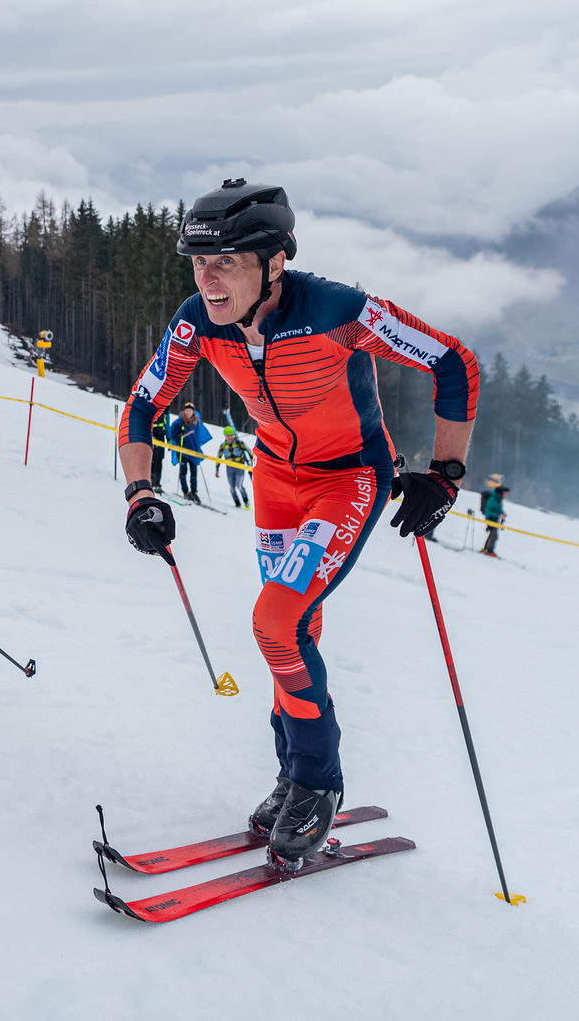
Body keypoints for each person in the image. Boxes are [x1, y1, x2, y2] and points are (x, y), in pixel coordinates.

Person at [114, 178, 479, 866]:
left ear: (275, 261)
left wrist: (446, 474)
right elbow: (140, 405)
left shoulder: (339, 311)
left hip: (348, 480)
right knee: (295, 628)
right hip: (276, 480)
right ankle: (292, 773)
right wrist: (141, 493)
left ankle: (318, 780)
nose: (208, 279)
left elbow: (452, 360)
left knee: (275, 622)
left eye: (226, 261)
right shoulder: (197, 322)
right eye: (198, 262)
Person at [168, 403, 212, 503]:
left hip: (193, 451)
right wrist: (179, 437)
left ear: (193, 412)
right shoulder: (179, 422)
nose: (189, 412)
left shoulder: (196, 421)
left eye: (191, 410)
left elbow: (198, 435)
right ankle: (185, 492)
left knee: (194, 473)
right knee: (183, 472)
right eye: (187, 410)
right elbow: (172, 434)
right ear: (184, 411)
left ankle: (194, 492)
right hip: (182, 451)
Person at [217, 425, 252, 508]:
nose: (230, 437)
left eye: (231, 435)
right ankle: (237, 504)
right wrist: (217, 469)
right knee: (232, 488)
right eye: (228, 435)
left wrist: (252, 464)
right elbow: (219, 456)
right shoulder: (223, 445)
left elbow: (249, 452)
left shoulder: (239, 443)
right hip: (229, 468)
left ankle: (246, 502)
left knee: (239, 486)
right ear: (225, 436)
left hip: (240, 467)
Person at [479, 478, 509, 557]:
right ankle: (489, 550)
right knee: (494, 535)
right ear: (501, 493)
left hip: (495, 520)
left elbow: (498, 510)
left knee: (492, 534)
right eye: (505, 493)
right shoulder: (493, 499)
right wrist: (498, 515)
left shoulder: (499, 500)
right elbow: (488, 511)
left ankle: (486, 549)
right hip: (490, 519)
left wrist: (502, 513)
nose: (506, 494)